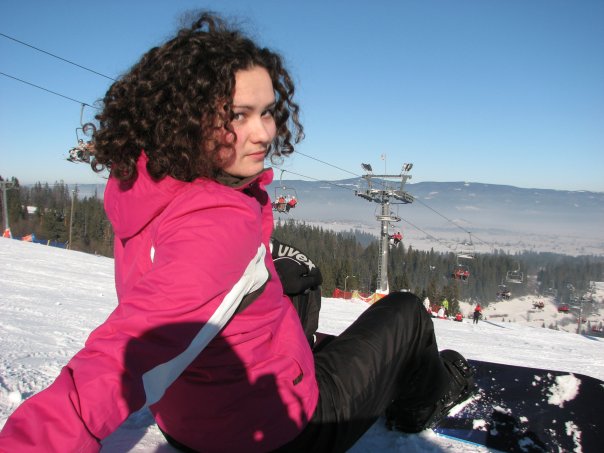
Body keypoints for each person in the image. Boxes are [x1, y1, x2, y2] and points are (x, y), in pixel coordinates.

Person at [0, 12, 475, 453]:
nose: (264, 133)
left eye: (266, 112)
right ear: (187, 117)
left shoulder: (145, 182)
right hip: (279, 431)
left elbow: (178, 294)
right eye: (238, 115)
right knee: (406, 312)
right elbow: (127, 351)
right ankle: (424, 402)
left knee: (289, 276)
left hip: (188, 419)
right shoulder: (218, 224)